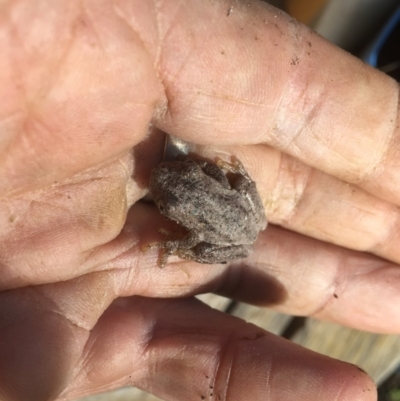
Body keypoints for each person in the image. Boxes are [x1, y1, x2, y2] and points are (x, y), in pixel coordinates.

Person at [0, 0, 398, 400]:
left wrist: (177, 241)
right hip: (233, 211)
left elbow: (197, 232)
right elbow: (210, 182)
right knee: (239, 212)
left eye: (169, 202)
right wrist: (219, 181)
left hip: (232, 230)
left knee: (232, 235)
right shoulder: (192, 179)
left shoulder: (190, 205)